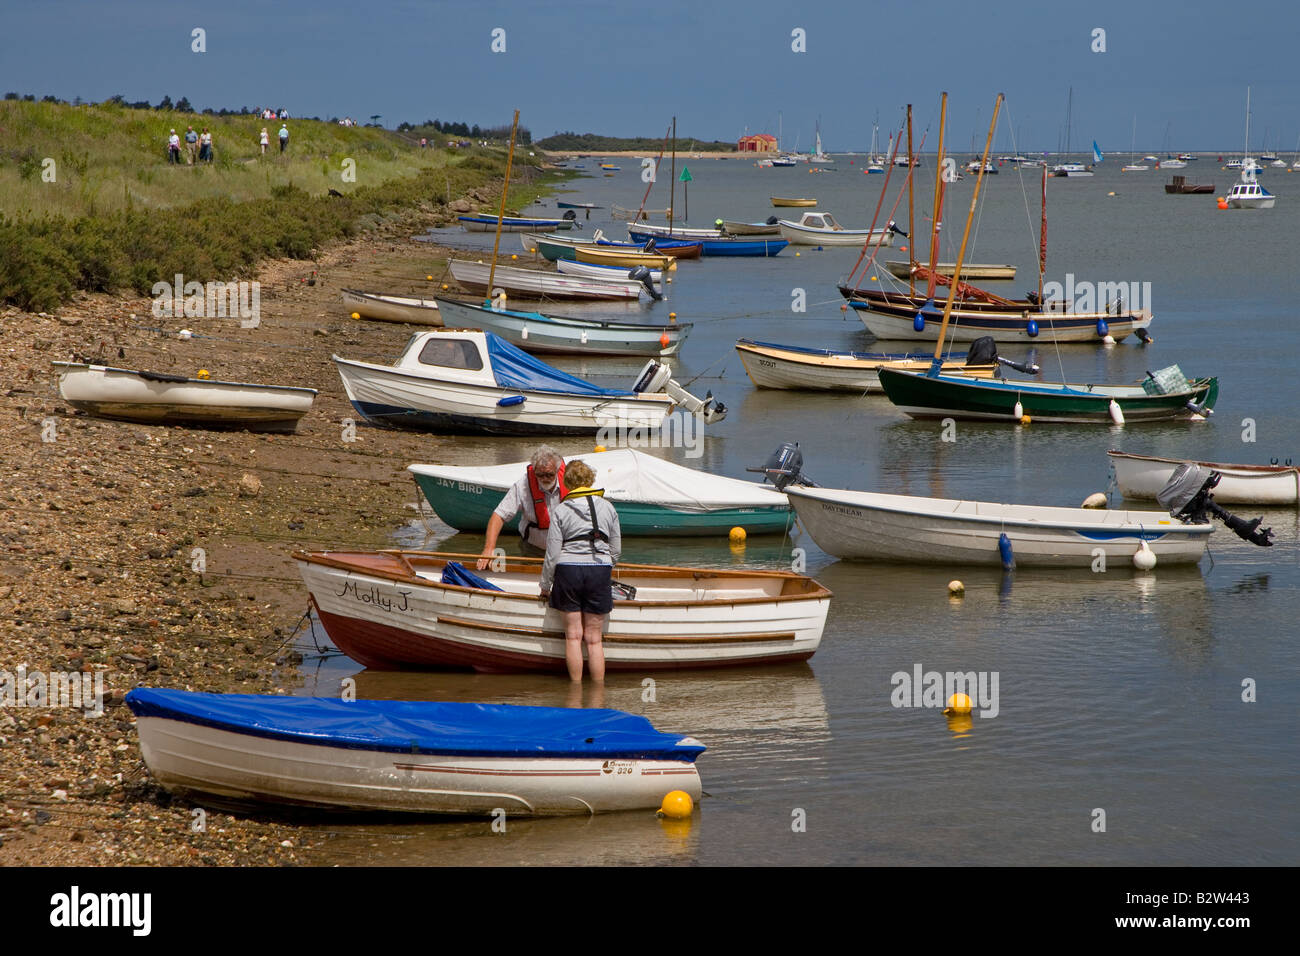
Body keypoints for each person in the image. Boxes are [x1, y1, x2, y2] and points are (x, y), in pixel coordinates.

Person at [537, 460, 621, 682]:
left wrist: (545, 586)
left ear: (568, 484)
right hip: (599, 571)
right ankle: (597, 694)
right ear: (590, 480)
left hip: (568, 571)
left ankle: (574, 691)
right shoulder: (609, 507)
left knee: (573, 637)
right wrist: (604, 567)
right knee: (594, 640)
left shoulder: (561, 510)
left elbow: (552, 553)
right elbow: (616, 550)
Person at [477, 446, 565, 568]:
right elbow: (499, 515)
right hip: (533, 550)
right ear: (534, 471)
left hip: (564, 550)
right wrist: (489, 549)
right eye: (540, 475)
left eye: (549, 475)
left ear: (557, 469)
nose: (545, 479)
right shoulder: (523, 485)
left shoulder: (569, 482)